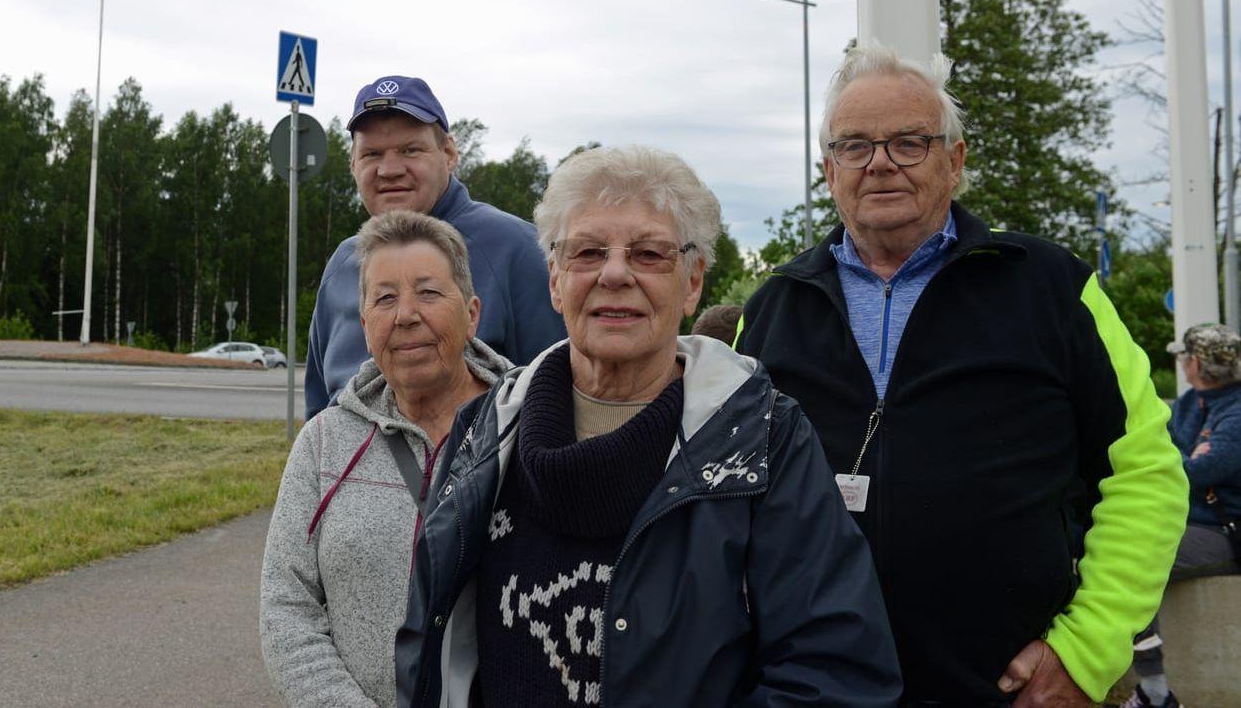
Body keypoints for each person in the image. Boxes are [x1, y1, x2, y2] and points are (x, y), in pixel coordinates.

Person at [737, 42, 1189, 706]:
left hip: (1008, 687)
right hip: (811, 689)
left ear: (956, 160)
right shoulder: (773, 308)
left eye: (910, 143)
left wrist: (1085, 650)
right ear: (829, 170)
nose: (881, 164)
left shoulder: (1052, 288)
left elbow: (1145, 475)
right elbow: (728, 504)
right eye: (855, 146)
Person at [397, 145, 901, 708]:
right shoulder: (485, 431)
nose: (615, 273)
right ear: (556, 281)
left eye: (650, 254)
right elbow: (432, 645)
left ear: (692, 283)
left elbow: (835, 673)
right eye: (588, 251)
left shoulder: (765, 440)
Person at [260, 211, 514, 708]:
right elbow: (286, 607)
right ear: (364, 324)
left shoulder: (530, 425)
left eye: (428, 292)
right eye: (385, 298)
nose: (405, 315)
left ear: (473, 312)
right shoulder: (324, 443)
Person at [305, 75, 564, 418]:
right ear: (353, 164)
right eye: (371, 154)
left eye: (410, 150)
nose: (390, 170)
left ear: (449, 153)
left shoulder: (517, 250)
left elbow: (558, 395)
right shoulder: (343, 265)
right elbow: (319, 410)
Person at [1125, 323, 1241, 708]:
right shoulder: (1190, 403)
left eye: (1182, 357)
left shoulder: (1237, 412)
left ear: (1194, 363)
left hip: (1222, 531)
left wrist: (1173, 463)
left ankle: (1155, 692)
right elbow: (1166, 456)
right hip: (1183, 521)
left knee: (1133, 558)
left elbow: (1200, 470)